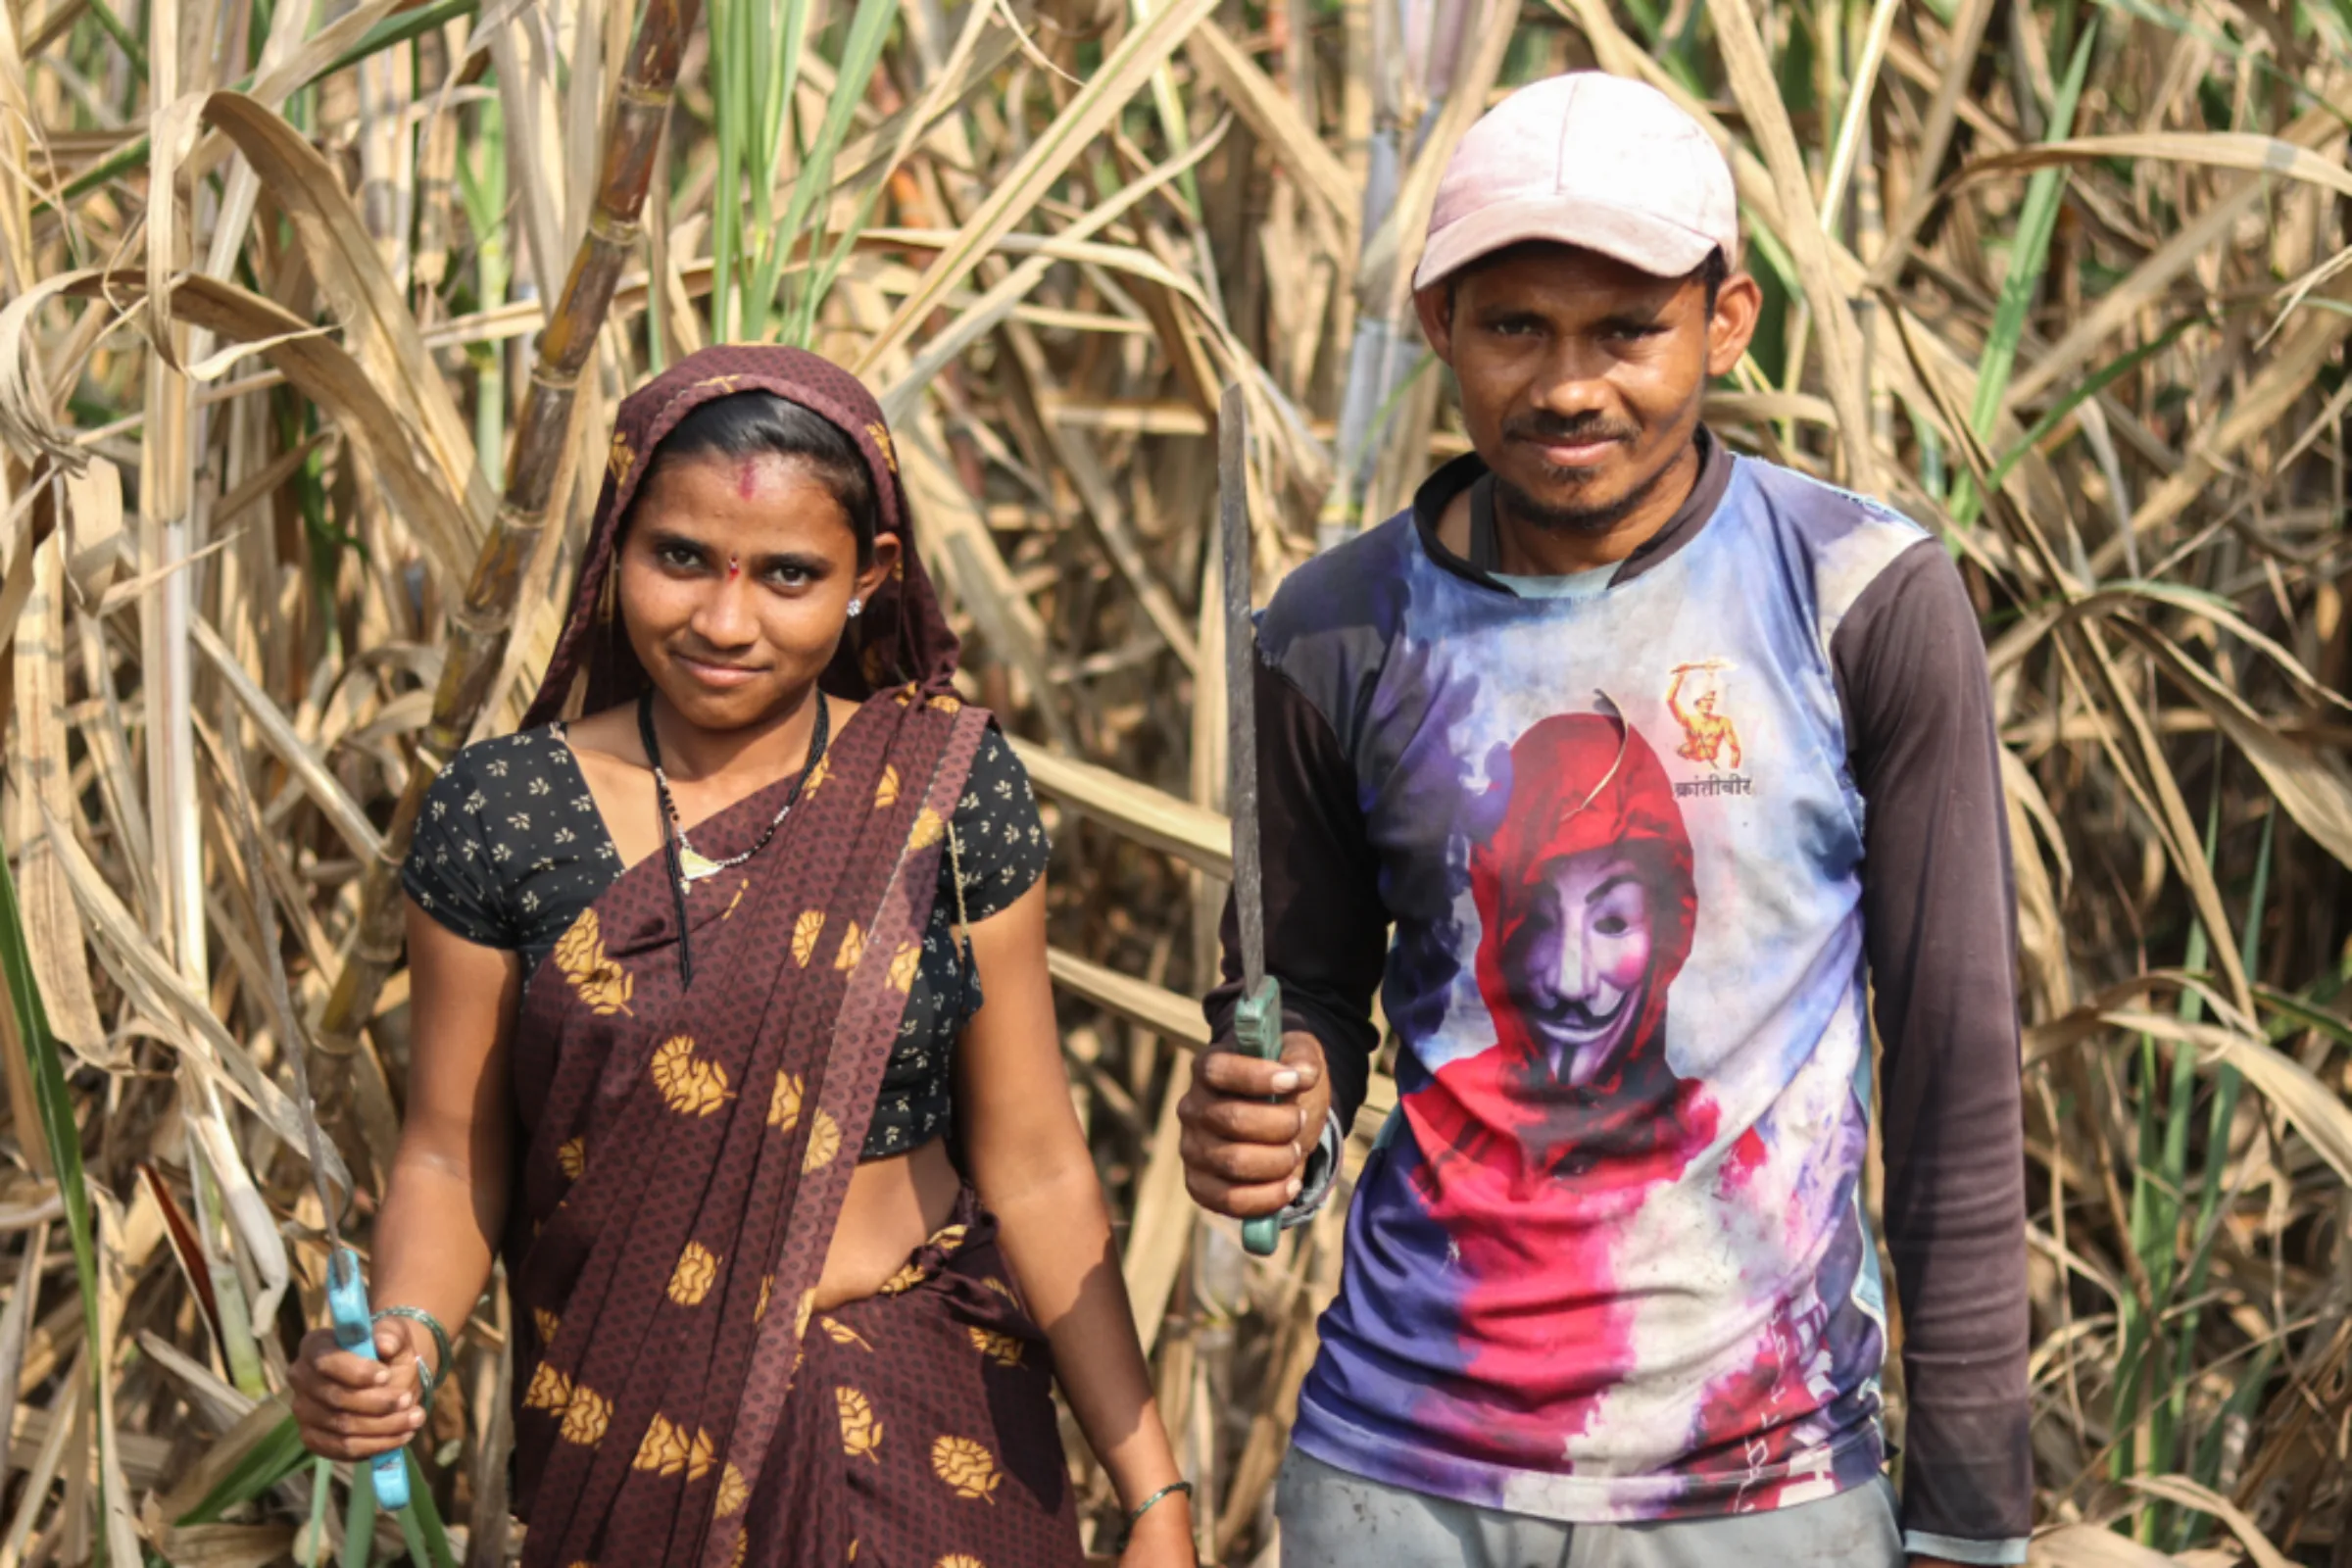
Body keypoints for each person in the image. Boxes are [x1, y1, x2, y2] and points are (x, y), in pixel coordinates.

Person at [1180, 72, 2030, 1568]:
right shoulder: (1334, 631)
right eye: (1517, 327)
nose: (1571, 386)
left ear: (1728, 321)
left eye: (1628, 330)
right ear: (1440, 325)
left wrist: (1974, 1522)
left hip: (1767, 1486)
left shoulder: (1860, 601)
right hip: (1398, 1472)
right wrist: (1277, 1120)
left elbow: (1955, 1076)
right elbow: (1300, 995)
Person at [291, 346, 1196, 1568]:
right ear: (617, 546)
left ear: (869, 577)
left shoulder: (938, 790)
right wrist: (401, 1335)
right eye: (680, 559)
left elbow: (1035, 1163)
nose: (725, 619)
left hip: (933, 1414)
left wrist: (1155, 1498)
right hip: (633, 1433)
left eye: (787, 575)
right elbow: (452, 1156)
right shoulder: (508, 813)